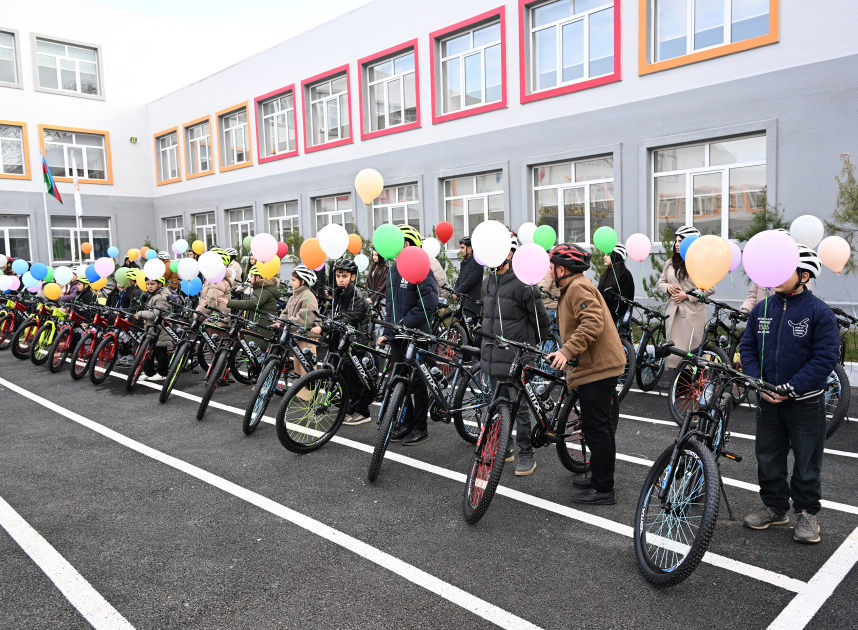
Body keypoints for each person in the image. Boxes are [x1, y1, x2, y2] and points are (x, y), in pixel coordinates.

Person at [740, 245, 838, 543]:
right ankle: (775, 507)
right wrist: (759, 383)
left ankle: (806, 513)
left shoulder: (819, 312)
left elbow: (825, 357)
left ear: (804, 275)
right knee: (768, 455)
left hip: (805, 402)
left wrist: (791, 388)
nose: (773, 276)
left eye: (783, 270)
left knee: (808, 458)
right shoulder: (762, 308)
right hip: (768, 399)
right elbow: (748, 348)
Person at [545, 243, 626, 504]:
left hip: (599, 368)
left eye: (551, 266)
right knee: (597, 428)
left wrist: (566, 352)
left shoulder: (578, 287)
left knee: (596, 429)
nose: (549, 270)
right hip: (594, 366)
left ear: (560, 268)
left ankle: (604, 489)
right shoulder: (573, 287)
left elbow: (592, 322)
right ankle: (600, 478)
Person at [480, 232, 550, 475]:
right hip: (492, 354)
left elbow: (542, 322)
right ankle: (504, 448)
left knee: (519, 407)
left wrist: (530, 348)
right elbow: (488, 317)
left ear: (510, 254)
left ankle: (526, 453)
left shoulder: (524, 283)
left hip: (516, 355)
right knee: (496, 404)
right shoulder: (488, 281)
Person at [379, 225, 439, 445]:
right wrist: (388, 331)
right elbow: (391, 307)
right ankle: (407, 421)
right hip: (398, 335)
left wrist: (404, 325)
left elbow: (430, 303)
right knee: (398, 380)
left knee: (417, 383)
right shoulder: (394, 269)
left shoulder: (423, 268)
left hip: (417, 334)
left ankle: (420, 427)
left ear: (406, 244)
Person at [311, 258, 372, 425]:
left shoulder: (356, 296)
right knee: (342, 377)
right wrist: (326, 325)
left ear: (352, 277)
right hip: (340, 340)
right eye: (338, 275)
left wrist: (325, 328)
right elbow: (335, 315)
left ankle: (363, 412)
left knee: (354, 379)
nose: (340, 279)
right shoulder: (338, 292)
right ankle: (349, 407)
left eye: (344, 276)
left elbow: (348, 319)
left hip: (353, 341)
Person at [656, 226, 715, 376]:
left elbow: (709, 288)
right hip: (673, 312)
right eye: (676, 240)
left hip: (692, 313)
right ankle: (678, 388)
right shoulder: (670, 263)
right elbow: (660, 283)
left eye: (681, 241)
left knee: (690, 352)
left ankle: (691, 385)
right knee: (675, 352)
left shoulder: (700, 263)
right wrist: (668, 287)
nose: (677, 244)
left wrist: (687, 295)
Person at [281, 265, 319, 400]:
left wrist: (288, 323)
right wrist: (280, 321)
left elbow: (306, 318)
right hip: (297, 335)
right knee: (298, 365)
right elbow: (286, 312)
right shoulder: (294, 295)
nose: (291, 282)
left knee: (306, 367)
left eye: (293, 280)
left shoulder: (308, 295)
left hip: (307, 336)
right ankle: (299, 392)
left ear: (302, 281)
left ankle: (307, 395)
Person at [134, 277, 172, 382]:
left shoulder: (162, 296)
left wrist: (141, 314)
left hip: (161, 327)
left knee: (161, 351)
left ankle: (163, 373)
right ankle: (149, 372)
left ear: (159, 284)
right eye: (148, 284)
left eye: (152, 284)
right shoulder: (154, 294)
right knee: (149, 351)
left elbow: (156, 313)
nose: (149, 286)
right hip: (152, 326)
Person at [597, 243, 635, 324]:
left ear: (615, 256)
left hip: (616, 318)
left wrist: (608, 314)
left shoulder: (625, 275)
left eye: (607, 255)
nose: (604, 257)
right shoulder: (607, 273)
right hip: (604, 316)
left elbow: (624, 301)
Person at [453, 236, 483, 318]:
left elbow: (470, 281)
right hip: (463, 302)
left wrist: (457, 292)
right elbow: (459, 279)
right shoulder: (464, 262)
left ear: (470, 249)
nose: (460, 250)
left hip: (472, 304)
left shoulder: (476, 262)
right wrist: (456, 291)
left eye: (462, 248)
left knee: (470, 329)